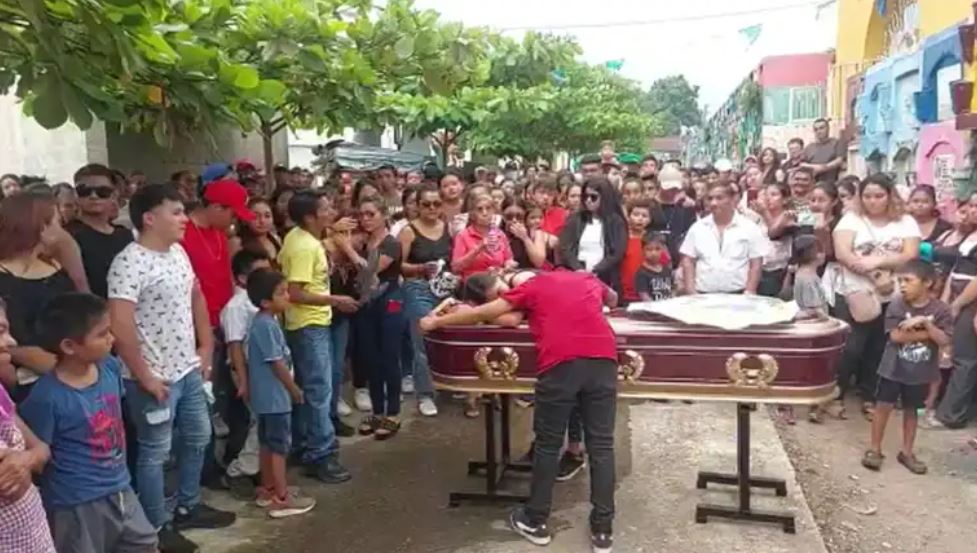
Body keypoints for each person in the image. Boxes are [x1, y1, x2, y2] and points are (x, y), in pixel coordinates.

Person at [419, 269, 619, 552]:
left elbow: (489, 312)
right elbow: (613, 297)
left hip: (560, 363)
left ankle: (535, 519)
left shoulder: (533, 287)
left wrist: (436, 320)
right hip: (603, 359)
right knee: (602, 446)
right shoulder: (585, 277)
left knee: (548, 444)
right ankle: (603, 529)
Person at [107, 184, 234, 551]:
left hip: (187, 368)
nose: (183, 219)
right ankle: (156, 527)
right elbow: (121, 323)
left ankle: (188, 505)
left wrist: (206, 343)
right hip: (153, 376)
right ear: (149, 218)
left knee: (198, 436)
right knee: (155, 453)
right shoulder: (129, 262)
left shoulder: (178, 252)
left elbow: (195, 294)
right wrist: (144, 374)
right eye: (175, 212)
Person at [22, 293, 157, 552]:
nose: (112, 339)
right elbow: (37, 452)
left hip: (120, 487)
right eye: (102, 334)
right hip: (76, 502)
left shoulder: (110, 368)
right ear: (69, 346)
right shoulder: (47, 397)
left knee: (145, 543)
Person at [278, 191, 355, 482]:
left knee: (309, 388)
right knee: (318, 390)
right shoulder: (304, 246)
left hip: (308, 324)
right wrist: (335, 300)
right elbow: (295, 292)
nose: (331, 210)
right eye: (325, 207)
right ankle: (320, 453)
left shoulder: (300, 239)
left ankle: (303, 443)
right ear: (310, 216)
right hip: (308, 325)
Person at [833, 174, 921, 420]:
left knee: (880, 347)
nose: (873, 201)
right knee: (851, 347)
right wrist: (873, 274)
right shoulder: (851, 219)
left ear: (889, 195)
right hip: (856, 291)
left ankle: (870, 396)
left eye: (879, 196)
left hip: (893, 292)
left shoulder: (905, 222)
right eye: (867, 196)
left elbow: (910, 254)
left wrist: (879, 260)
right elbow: (843, 253)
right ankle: (835, 394)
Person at [862, 260, 951, 474]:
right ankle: (874, 449)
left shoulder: (941, 310)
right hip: (892, 368)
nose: (902, 285)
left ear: (927, 283)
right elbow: (895, 336)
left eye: (908, 281)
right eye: (900, 281)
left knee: (912, 411)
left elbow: (945, 340)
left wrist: (926, 323)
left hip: (920, 372)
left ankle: (907, 452)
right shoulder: (897, 305)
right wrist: (930, 333)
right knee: (882, 407)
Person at [242, 269, 317, 517]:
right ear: (265, 302)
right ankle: (282, 498)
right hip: (275, 398)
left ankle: (268, 488)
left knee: (267, 443)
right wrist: (294, 389)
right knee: (279, 446)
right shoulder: (265, 325)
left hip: (268, 398)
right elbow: (277, 363)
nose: (287, 296)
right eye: (281, 293)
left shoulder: (265, 322)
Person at [337, 198, 408, 439]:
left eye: (371, 214)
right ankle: (378, 411)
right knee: (371, 358)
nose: (366, 219)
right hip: (367, 303)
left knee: (389, 355)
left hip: (391, 301)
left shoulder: (391, 243)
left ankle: (393, 413)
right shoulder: (364, 241)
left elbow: (371, 269)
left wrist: (348, 249)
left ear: (383, 214)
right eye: (362, 214)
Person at [0, 192, 76, 399]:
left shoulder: (55, 268)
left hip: (69, 377)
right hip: (24, 387)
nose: (61, 231)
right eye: (55, 223)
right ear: (37, 227)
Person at [0, 297, 56, 553]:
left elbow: (41, 449)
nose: (11, 342)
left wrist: (25, 460)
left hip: (32, 538)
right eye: (1, 331)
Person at [220, 249, 271, 497]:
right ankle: (240, 468)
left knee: (264, 421)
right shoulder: (236, 306)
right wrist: (242, 378)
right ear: (241, 278)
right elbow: (235, 344)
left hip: (263, 370)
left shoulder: (259, 299)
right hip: (248, 370)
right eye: (258, 273)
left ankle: (258, 466)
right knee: (259, 421)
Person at [399, 186, 450, 417]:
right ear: (417, 206)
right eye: (426, 204)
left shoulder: (449, 228)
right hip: (417, 287)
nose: (432, 209)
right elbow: (396, 264)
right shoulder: (408, 231)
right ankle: (425, 394)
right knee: (422, 342)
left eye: (436, 204)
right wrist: (420, 268)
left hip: (445, 289)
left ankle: (447, 384)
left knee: (447, 337)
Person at [680, 182, 768, 295]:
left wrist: (750, 290)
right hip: (703, 294)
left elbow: (756, 261)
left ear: (732, 200)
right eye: (710, 198)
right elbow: (688, 259)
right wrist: (690, 290)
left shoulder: (749, 227)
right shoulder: (697, 228)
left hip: (738, 294)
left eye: (719, 198)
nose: (713, 203)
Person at [67, 164, 134, 299]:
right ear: (75, 194)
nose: (93, 196)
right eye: (84, 191)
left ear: (114, 194)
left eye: (102, 191)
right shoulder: (69, 236)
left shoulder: (126, 236)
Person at [559, 177, 628, 294]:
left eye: (593, 197)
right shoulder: (575, 220)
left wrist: (597, 269)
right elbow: (566, 247)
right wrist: (578, 269)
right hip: (577, 275)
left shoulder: (616, 222)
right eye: (585, 197)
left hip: (605, 277)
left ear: (604, 197)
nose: (588, 200)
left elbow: (617, 253)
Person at [451, 194, 513, 281]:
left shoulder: (500, 234)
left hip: (498, 277)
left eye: (488, 208)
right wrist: (478, 249)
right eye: (479, 209)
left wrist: (508, 265)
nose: (485, 213)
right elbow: (455, 267)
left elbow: (509, 259)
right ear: (472, 214)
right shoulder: (463, 235)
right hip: (474, 281)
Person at [756, 182, 795, 298]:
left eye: (774, 195)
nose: (769, 199)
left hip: (778, 273)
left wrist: (764, 212)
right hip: (759, 270)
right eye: (766, 195)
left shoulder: (788, 216)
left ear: (785, 200)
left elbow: (773, 233)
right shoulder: (758, 219)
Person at [621, 200, 653, 303]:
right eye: (636, 214)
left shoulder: (653, 240)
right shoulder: (622, 239)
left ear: (650, 219)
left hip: (647, 292)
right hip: (624, 292)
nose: (640, 218)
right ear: (628, 216)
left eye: (644, 216)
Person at [231, 198, 282, 264]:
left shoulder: (276, 239)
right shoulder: (236, 243)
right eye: (256, 216)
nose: (262, 221)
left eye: (267, 216)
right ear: (244, 220)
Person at [801, 119, 846, 183]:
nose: (819, 131)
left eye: (821, 128)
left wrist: (822, 168)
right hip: (812, 184)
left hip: (831, 183)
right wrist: (815, 168)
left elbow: (839, 161)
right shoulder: (809, 148)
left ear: (828, 129)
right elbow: (802, 164)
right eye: (816, 129)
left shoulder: (837, 143)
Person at [635, 232, 673, 302]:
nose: (653, 253)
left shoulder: (666, 270)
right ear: (643, 250)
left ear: (662, 249)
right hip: (652, 309)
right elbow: (644, 295)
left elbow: (672, 290)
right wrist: (655, 308)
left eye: (657, 249)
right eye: (649, 249)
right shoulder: (642, 273)